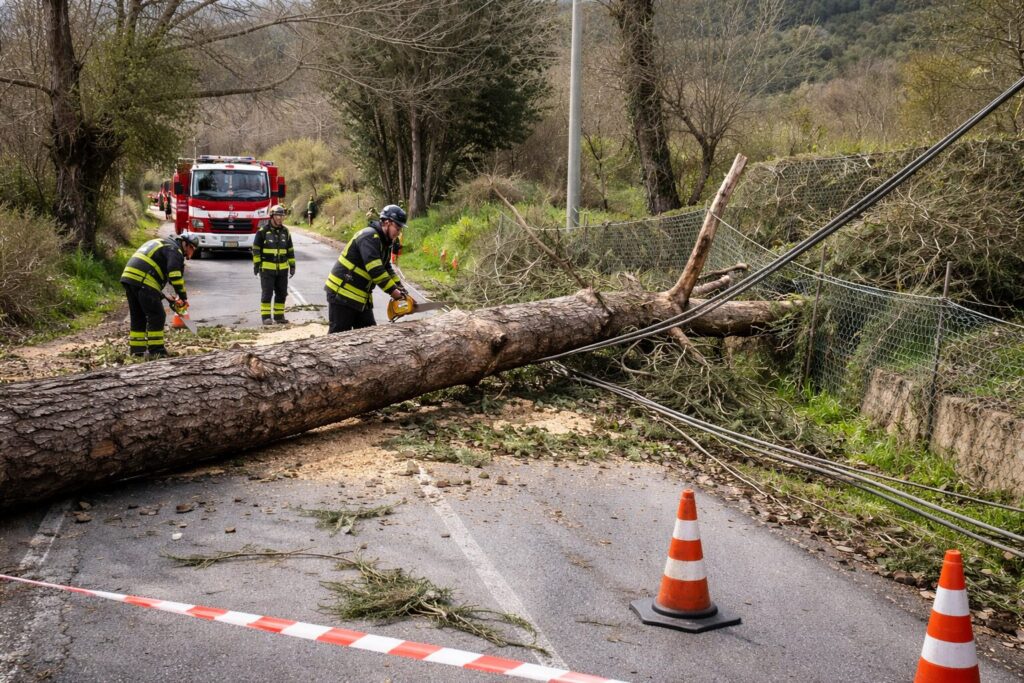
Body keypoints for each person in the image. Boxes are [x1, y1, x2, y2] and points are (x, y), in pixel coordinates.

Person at [324, 204, 408, 333]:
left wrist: (400, 287)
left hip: (360, 296)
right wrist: (393, 292)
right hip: (342, 293)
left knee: (369, 335)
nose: (399, 232)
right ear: (387, 222)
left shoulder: (385, 242)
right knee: (339, 336)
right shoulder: (369, 237)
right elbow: (376, 270)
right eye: (397, 228)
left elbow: (386, 267)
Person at [120, 231, 198, 358]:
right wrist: (183, 296)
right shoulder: (175, 250)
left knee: (138, 316)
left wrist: (167, 296)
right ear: (186, 244)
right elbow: (174, 274)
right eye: (192, 249)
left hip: (129, 278)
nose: (192, 252)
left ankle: (137, 352)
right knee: (157, 315)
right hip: (144, 279)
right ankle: (157, 351)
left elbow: (163, 278)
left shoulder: (164, 244)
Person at [252, 204, 295, 324]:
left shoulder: (286, 232)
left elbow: (290, 250)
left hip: (282, 269)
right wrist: (257, 265)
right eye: (277, 215)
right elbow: (256, 249)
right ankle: (266, 317)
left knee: (282, 293)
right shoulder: (263, 232)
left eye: (282, 216)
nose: (280, 218)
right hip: (266, 269)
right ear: (271, 216)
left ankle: (279, 317)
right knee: (267, 293)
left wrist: (292, 266)